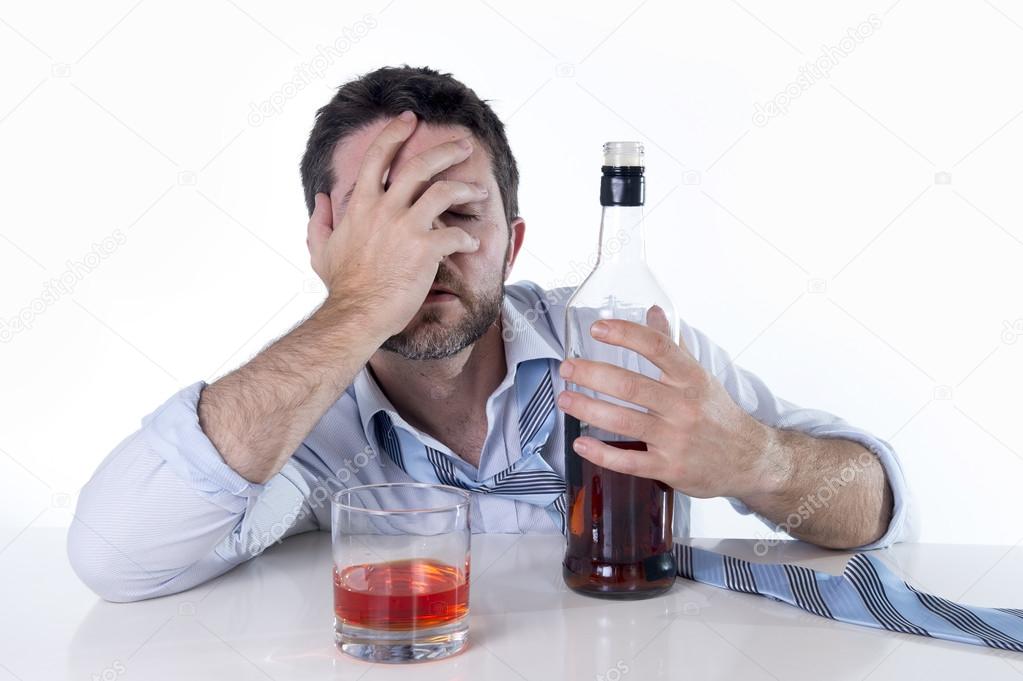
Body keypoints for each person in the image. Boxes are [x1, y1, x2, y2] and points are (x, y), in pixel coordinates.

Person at [67, 65, 910, 603]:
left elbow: (876, 509)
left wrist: (753, 460)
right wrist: (361, 303)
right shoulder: (298, 414)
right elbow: (114, 557)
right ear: (327, 238)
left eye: (457, 215)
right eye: (389, 217)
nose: (425, 251)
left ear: (510, 243)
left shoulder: (622, 346)